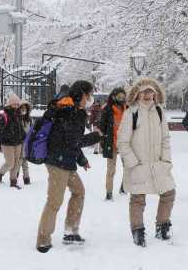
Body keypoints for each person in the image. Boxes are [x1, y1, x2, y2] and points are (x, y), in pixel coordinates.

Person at [36, 81, 102, 253]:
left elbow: (70, 141)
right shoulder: (70, 112)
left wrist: (81, 160)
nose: (90, 98)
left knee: (79, 191)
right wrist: (97, 136)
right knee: (54, 202)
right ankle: (43, 240)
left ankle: (71, 231)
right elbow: (75, 141)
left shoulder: (74, 110)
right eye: (89, 94)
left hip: (66, 160)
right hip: (58, 162)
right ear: (82, 94)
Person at [118, 78, 176, 247]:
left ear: (155, 94)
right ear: (137, 94)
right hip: (138, 165)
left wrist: (166, 160)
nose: (147, 95)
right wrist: (132, 163)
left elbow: (165, 138)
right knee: (138, 199)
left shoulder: (159, 111)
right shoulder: (132, 113)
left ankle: (162, 226)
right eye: (144, 92)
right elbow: (122, 141)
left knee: (169, 193)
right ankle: (138, 231)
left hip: (158, 164)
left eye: (150, 91)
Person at [98, 87, 127, 201]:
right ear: (113, 96)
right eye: (119, 97)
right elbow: (101, 126)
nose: (121, 99)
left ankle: (124, 186)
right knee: (111, 169)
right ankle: (109, 192)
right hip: (111, 142)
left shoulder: (127, 108)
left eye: (123, 97)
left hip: (125, 143)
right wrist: (103, 141)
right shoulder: (107, 109)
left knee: (128, 167)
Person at [0, 94, 25, 188]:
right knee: (10, 162)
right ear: (9, 104)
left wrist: (23, 136)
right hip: (7, 143)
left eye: (17, 104)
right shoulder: (3, 116)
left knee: (16, 163)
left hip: (18, 142)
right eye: (13, 104)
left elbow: (21, 128)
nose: (15, 106)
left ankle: (13, 181)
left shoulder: (19, 115)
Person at [19, 101, 33, 185]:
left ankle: (26, 178)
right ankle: (23, 177)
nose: (23, 110)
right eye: (22, 108)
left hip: (26, 142)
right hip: (19, 141)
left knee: (24, 160)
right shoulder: (18, 118)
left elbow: (31, 130)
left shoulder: (29, 119)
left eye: (25, 108)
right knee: (20, 160)